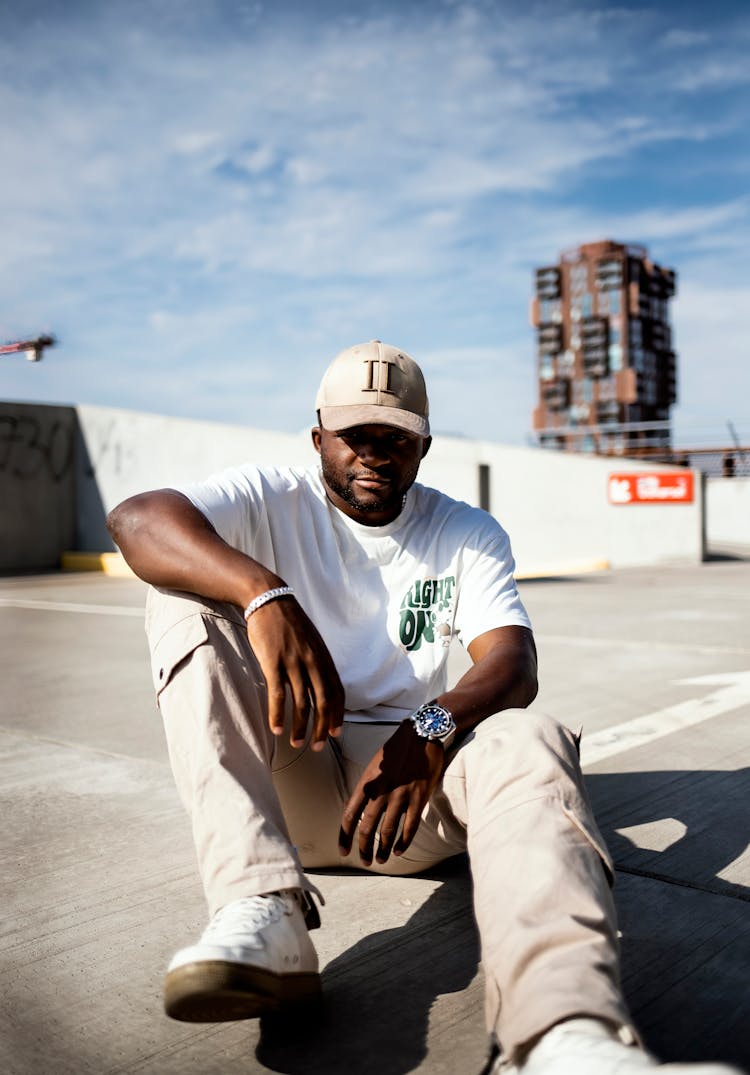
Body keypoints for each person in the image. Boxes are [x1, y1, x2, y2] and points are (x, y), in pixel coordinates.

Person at [107, 341, 740, 1075]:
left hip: (412, 804)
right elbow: (137, 519)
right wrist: (262, 593)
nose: (374, 453)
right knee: (183, 604)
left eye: (395, 437)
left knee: (527, 736)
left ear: (422, 446)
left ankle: (562, 1034)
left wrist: (432, 728)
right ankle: (262, 905)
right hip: (294, 782)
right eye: (356, 435)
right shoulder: (267, 495)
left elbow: (512, 662)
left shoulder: (465, 530)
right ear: (319, 437)